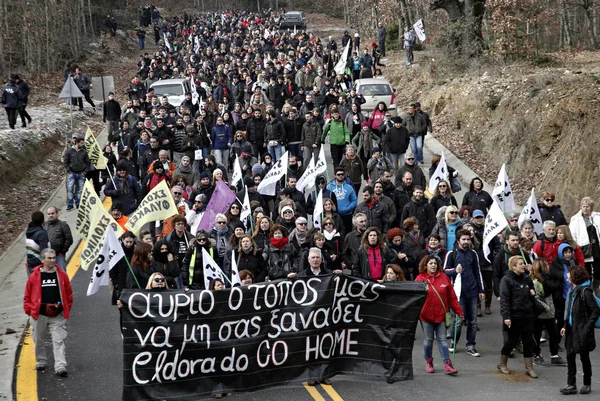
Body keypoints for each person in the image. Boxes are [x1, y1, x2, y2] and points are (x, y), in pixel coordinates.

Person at [23, 249, 73, 377]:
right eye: (49, 258)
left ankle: (60, 365)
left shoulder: (61, 275)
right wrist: (30, 310)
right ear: (42, 260)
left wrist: (66, 308)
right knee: (38, 339)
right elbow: (27, 296)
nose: (52, 260)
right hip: (39, 315)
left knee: (58, 340)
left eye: (53, 258)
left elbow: (68, 294)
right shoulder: (34, 277)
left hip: (57, 315)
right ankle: (41, 361)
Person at [415, 255, 463, 375]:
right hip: (426, 316)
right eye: (430, 263)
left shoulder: (444, 278)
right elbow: (414, 299)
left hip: (441, 315)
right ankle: (429, 361)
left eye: (435, 263)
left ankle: (447, 364)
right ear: (425, 265)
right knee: (428, 340)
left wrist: (459, 311)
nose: (433, 265)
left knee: (442, 340)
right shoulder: (420, 279)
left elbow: (452, 298)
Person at [559, 265, 600, 395]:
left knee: (584, 357)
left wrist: (587, 326)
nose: (567, 276)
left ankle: (587, 384)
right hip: (572, 328)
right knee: (570, 356)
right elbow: (569, 311)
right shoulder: (572, 290)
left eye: (569, 274)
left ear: (575, 276)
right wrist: (565, 326)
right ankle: (571, 384)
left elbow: (595, 310)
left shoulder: (585, 292)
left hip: (582, 329)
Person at [444, 229, 485, 357]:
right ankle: (453, 342)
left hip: (472, 291)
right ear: (458, 240)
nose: (466, 242)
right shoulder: (452, 254)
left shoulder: (473, 254)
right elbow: (444, 271)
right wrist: (455, 271)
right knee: (458, 320)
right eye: (464, 239)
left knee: (473, 321)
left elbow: (478, 272)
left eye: (468, 239)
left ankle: (471, 345)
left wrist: (481, 289)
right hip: (458, 292)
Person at [497, 256, 538, 378]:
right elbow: (505, 300)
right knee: (511, 341)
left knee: (528, 341)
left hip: (527, 315)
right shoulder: (506, 280)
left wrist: (532, 293)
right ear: (514, 266)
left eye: (523, 263)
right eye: (521, 264)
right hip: (514, 316)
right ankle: (502, 363)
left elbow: (531, 291)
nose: (523, 265)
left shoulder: (526, 278)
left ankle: (529, 367)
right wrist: (506, 317)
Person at [529, 258, 565, 367]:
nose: (548, 267)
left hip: (549, 314)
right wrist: (546, 307)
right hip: (539, 314)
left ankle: (554, 355)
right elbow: (536, 298)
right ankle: (536, 355)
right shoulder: (535, 282)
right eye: (546, 265)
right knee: (536, 335)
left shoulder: (548, 280)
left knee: (554, 334)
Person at [569, 196, 600, 297]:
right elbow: (572, 235)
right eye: (583, 206)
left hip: (597, 248)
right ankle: (589, 290)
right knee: (586, 271)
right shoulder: (575, 219)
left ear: (591, 207)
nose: (585, 208)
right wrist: (576, 246)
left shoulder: (597, 217)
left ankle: (597, 286)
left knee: (598, 270)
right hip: (584, 249)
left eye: (587, 206)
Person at [327, 167, 358, 233]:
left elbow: (354, 200)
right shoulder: (329, 187)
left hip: (347, 215)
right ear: (335, 175)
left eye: (342, 174)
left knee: (347, 233)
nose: (340, 176)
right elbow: (325, 200)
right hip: (333, 215)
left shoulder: (349, 187)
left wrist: (348, 208)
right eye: (338, 174)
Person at [63, 136, 90, 211]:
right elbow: (65, 162)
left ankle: (78, 203)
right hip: (72, 173)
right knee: (70, 188)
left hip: (81, 173)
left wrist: (85, 171)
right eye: (81, 143)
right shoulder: (69, 151)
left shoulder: (84, 152)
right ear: (77, 143)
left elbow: (88, 162)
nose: (83, 144)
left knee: (80, 189)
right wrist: (69, 170)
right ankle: (70, 204)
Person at [43, 207, 73, 272]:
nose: (51, 215)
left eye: (52, 213)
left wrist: (63, 251)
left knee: (62, 273)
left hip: (59, 256)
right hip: (47, 257)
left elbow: (69, 239)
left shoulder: (63, 225)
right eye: (49, 214)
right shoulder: (44, 225)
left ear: (57, 214)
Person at [26, 211, 50, 276]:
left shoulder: (29, 231)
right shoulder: (42, 234)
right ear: (42, 221)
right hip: (40, 266)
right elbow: (44, 251)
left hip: (30, 264)